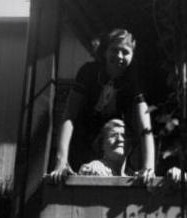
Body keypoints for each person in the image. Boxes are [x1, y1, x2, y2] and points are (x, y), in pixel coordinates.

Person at [49, 28, 155, 183]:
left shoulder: (134, 80)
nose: (119, 56)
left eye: (125, 52)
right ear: (105, 51)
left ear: (132, 56)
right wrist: (61, 160)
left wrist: (148, 167)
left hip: (112, 137)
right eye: (114, 50)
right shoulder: (88, 72)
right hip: (83, 136)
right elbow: (69, 115)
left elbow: (145, 126)